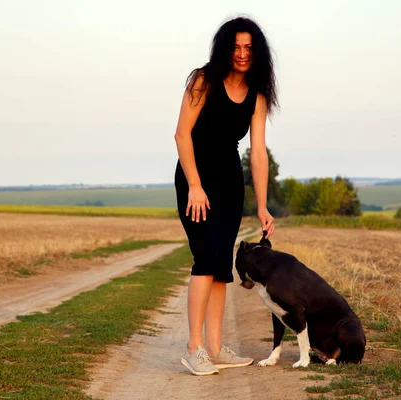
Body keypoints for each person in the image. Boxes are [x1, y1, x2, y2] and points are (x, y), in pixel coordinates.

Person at [173, 16, 278, 376]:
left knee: (220, 264)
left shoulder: (257, 93)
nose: (243, 53)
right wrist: (195, 185)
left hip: (230, 182)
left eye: (249, 47)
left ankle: (215, 348)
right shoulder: (203, 81)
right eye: (236, 46)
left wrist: (262, 205)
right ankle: (193, 347)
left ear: (258, 51)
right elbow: (181, 135)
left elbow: (258, 152)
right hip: (195, 180)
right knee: (205, 258)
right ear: (224, 48)